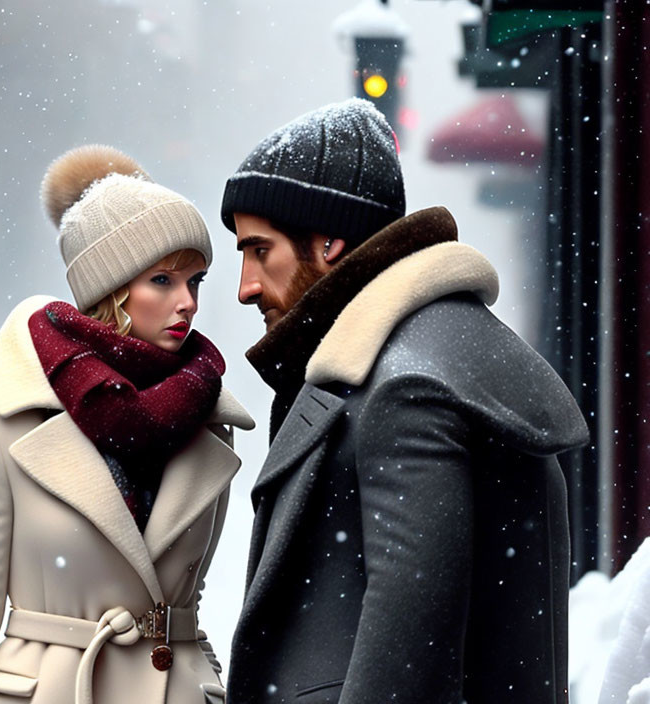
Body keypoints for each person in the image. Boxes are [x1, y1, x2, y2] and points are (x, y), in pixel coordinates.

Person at [221, 99, 589, 704]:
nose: (246, 288)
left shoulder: (401, 388)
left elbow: (408, 652)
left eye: (260, 250)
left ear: (330, 240)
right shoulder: (434, 353)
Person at [0, 145, 253, 704]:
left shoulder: (205, 418)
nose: (188, 303)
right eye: (163, 280)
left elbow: (185, 614)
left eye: (194, 281)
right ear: (113, 286)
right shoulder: (1, 420)